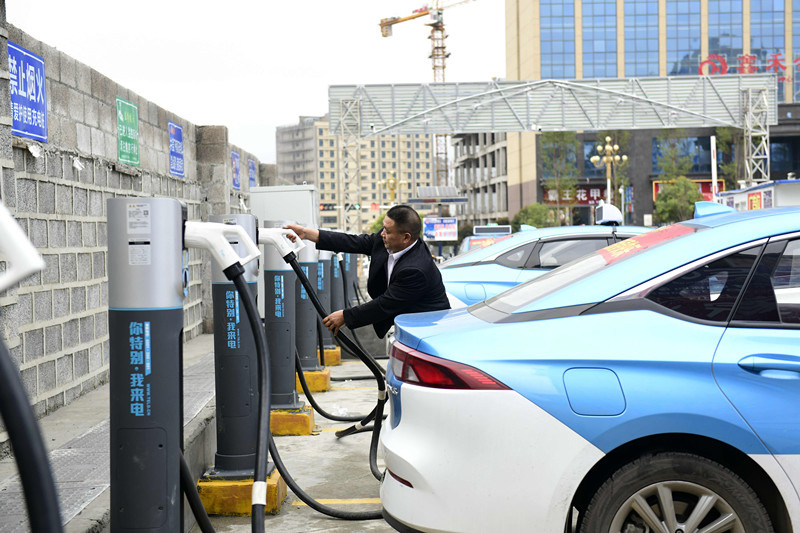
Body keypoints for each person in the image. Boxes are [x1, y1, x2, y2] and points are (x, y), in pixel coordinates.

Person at [285, 205, 450, 338]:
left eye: (388, 231)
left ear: (406, 237)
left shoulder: (416, 270)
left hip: (428, 330)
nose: (382, 234)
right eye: (383, 228)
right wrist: (307, 233)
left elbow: (385, 304)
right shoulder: (388, 239)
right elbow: (355, 242)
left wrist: (345, 316)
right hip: (406, 322)